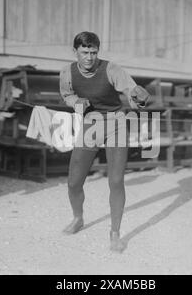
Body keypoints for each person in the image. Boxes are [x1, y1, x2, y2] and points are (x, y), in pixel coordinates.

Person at [59, 32, 150, 252]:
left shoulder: (111, 69)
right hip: (90, 123)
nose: (89, 57)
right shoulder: (67, 72)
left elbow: (129, 89)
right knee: (73, 182)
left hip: (116, 123)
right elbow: (66, 94)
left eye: (93, 52)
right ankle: (78, 218)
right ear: (75, 52)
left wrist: (137, 96)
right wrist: (76, 102)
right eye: (84, 52)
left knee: (116, 181)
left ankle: (115, 233)